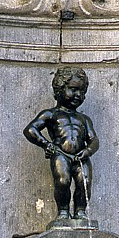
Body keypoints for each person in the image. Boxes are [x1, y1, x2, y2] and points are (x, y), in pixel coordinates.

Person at [24, 67, 99, 221]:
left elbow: (94, 140)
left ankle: (80, 212)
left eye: (82, 91)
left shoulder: (84, 119)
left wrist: (88, 151)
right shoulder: (51, 114)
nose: (78, 95)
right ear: (60, 89)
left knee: (84, 183)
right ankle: (63, 211)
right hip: (61, 154)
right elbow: (30, 129)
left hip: (81, 157)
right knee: (63, 181)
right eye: (73, 89)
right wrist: (46, 144)